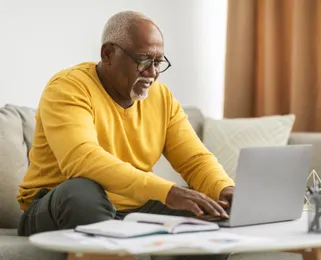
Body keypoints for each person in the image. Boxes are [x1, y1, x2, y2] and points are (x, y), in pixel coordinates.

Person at [17, 10, 235, 259]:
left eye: (158, 62)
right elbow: (81, 159)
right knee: (80, 191)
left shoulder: (161, 98)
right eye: (143, 60)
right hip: (56, 205)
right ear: (108, 54)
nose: (152, 73)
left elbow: (194, 160)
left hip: (132, 208)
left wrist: (224, 189)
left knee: (211, 215)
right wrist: (168, 191)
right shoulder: (69, 87)